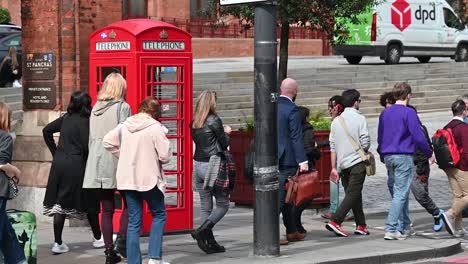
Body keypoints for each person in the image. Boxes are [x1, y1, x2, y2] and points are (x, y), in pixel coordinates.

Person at [103, 97, 171, 264]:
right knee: (159, 214)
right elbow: (164, 155)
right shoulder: (155, 127)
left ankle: (134, 261)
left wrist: (123, 155)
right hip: (148, 178)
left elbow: (107, 141)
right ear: (155, 113)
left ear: (140, 108)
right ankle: (154, 258)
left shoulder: (125, 124)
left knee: (134, 220)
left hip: (127, 178)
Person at [42, 92, 104, 254]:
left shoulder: (66, 119)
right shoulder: (87, 121)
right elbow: (86, 147)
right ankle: (98, 238)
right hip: (77, 164)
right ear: (86, 105)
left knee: (60, 203)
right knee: (90, 199)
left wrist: (56, 152)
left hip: (59, 164)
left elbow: (46, 130)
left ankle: (58, 242)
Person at [83, 72, 131, 263]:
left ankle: (109, 252)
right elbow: (125, 137)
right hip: (116, 159)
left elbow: (90, 139)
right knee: (131, 203)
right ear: (121, 88)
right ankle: (122, 240)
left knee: (107, 208)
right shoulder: (123, 107)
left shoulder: (94, 109)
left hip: (96, 161)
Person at [378, 83, 432, 240]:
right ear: (408, 95)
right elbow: (418, 136)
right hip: (403, 155)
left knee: (399, 192)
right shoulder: (409, 112)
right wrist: (429, 152)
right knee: (401, 193)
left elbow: (380, 136)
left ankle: (406, 225)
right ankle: (391, 228)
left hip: (388, 155)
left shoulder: (385, 113)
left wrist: (382, 154)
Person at [190, 90, 232, 254]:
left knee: (206, 207)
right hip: (213, 166)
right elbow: (223, 143)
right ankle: (202, 231)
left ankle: (207, 242)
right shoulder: (214, 120)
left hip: (198, 165)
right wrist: (227, 132)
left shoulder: (194, 122)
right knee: (223, 204)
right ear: (212, 103)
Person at [325, 89, 370, 237]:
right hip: (357, 162)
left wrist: (334, 167)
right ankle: (336, 221)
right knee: (353, 194)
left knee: (354, 194)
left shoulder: (336, 121)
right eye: (359, 101)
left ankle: (361, 225)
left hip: (343, 164)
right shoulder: (360, 118)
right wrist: (362, 149)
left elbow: (332, 146)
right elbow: (365, 142)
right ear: (355, 102)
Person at [277, 78, 308, 245]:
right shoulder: (292, 110)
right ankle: (270, 233)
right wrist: (302, 161)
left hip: (270, 157)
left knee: (288, 196)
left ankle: (292, 231)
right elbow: (296, 137)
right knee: (281, 197)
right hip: (286, 160)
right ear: (294, 92)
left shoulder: (271, 105)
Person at [0, 102, 27, 264]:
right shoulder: (5, 137)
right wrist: (16, 171)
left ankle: (18, 260)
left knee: (5, 228)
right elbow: (1, 162)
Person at [321, 95, 353, 221]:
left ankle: (341, 210)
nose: (330, 110)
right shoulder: (336, 120)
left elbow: (335, 139)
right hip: (339, 156)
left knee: (344, 182)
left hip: (345, 155)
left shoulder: (342, 119)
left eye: (332, 106)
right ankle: (340, 209)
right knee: (339, 181)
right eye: (329, 107)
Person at [440, 100, 468, 236]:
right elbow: (467, 150)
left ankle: (458, 227)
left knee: (458, 196)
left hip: (449, 167)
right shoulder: (463, 127)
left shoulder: (447, 126)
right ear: (464, 112)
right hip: (462, 166)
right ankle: (450, 214)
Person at [293, 106, 321, 234]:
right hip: (306, 166)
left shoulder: (293, 128)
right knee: (305, 196)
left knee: (295, 196)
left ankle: (295, 223)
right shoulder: (308, 129)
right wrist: (317, 153)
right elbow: (309, 148)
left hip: (293, 165)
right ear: (306, 117)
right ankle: (296, 222)